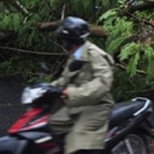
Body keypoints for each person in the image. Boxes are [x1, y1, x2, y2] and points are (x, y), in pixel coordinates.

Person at [49, 16, 115, 154]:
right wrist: (49, 88)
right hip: (79, 104)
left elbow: (103, 82)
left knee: (78, 138)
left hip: (98, 105)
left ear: (71, 40)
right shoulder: (76, 54)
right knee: (53, 123)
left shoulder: (94, 54)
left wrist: (73, 93)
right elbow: (66, 78)